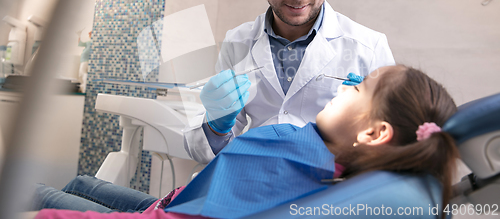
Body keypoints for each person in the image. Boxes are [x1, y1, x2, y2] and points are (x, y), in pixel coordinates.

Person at [31, 65, 459, 219]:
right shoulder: (324, 157)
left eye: (359, 85)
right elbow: (205, 148)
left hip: (185, 209)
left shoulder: (303, 160)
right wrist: (218, 123)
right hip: (188, 198)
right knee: (84, 182)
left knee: (37, 195)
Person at [184, 0, 395, 163]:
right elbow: (203, 153)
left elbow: (394, 150)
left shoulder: (369, 47)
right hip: (250, 183)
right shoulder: (238, 41)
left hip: (325, 195)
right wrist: (216, 125)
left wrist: (362, 125)